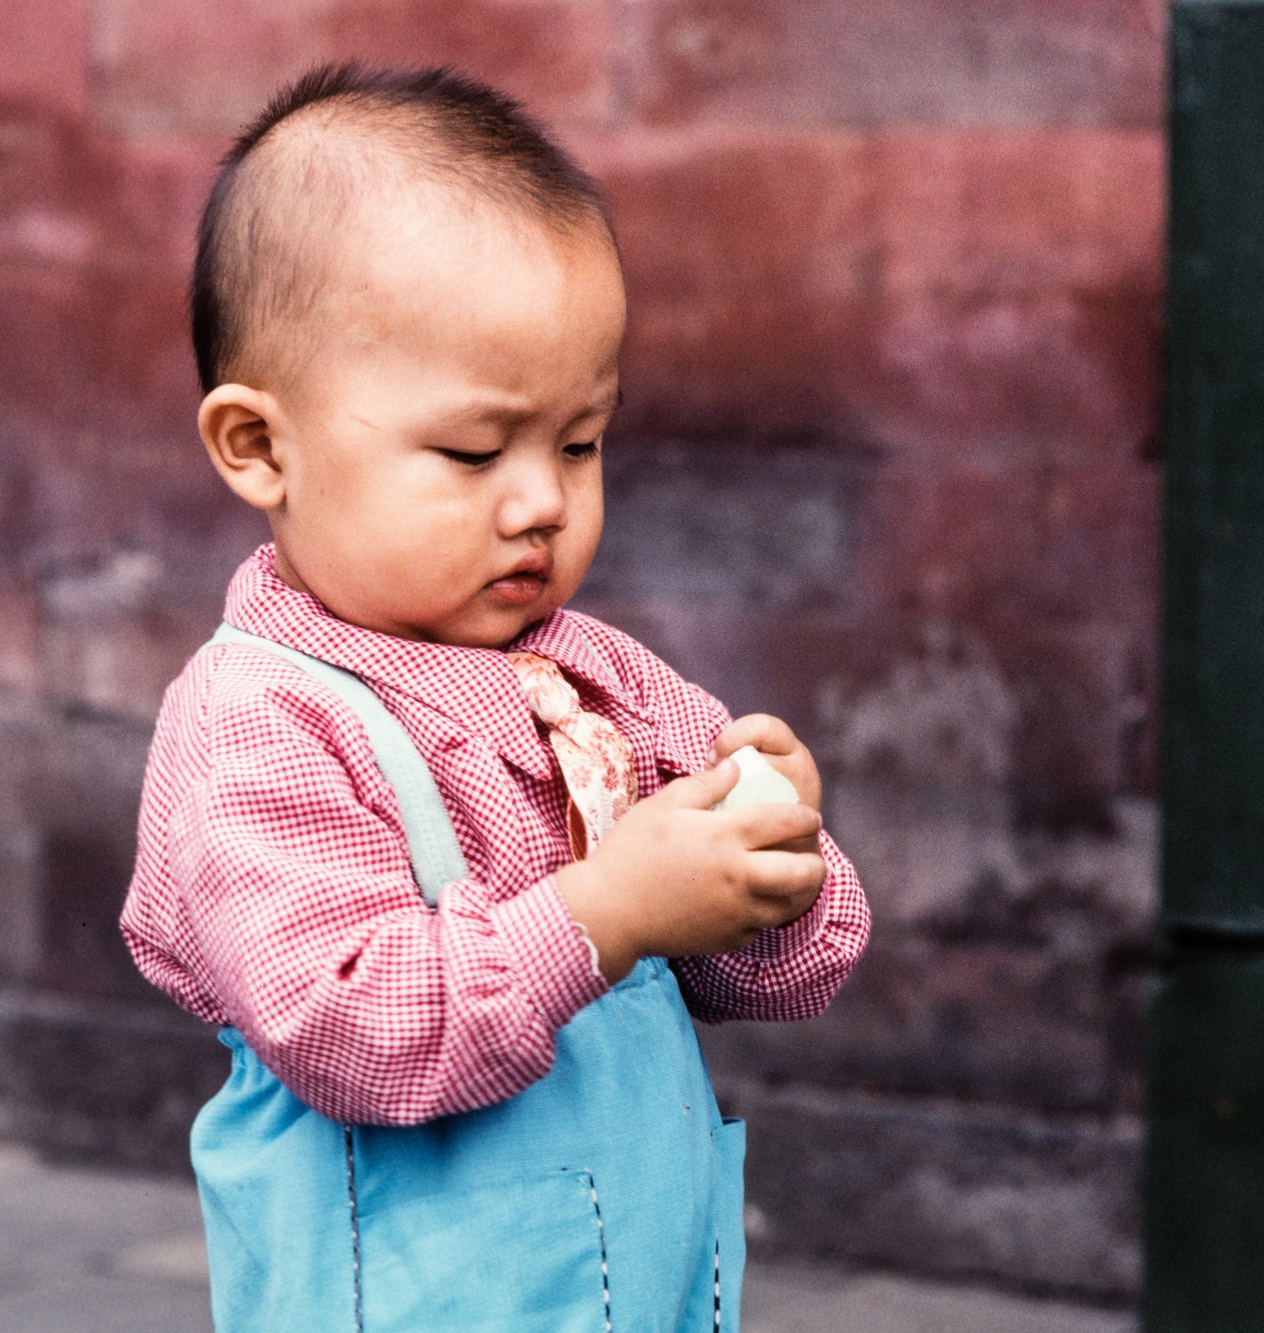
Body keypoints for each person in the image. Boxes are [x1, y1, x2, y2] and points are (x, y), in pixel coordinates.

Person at [119, 61, 870, 1331]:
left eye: (579, 442)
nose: (539, 502)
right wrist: (605, 908)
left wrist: (773, 857)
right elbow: (345, 1023)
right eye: (474, 451)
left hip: (641, 1286)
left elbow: (796, 971)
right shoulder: (258, 723)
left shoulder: (597, 678)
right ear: (259, 446)